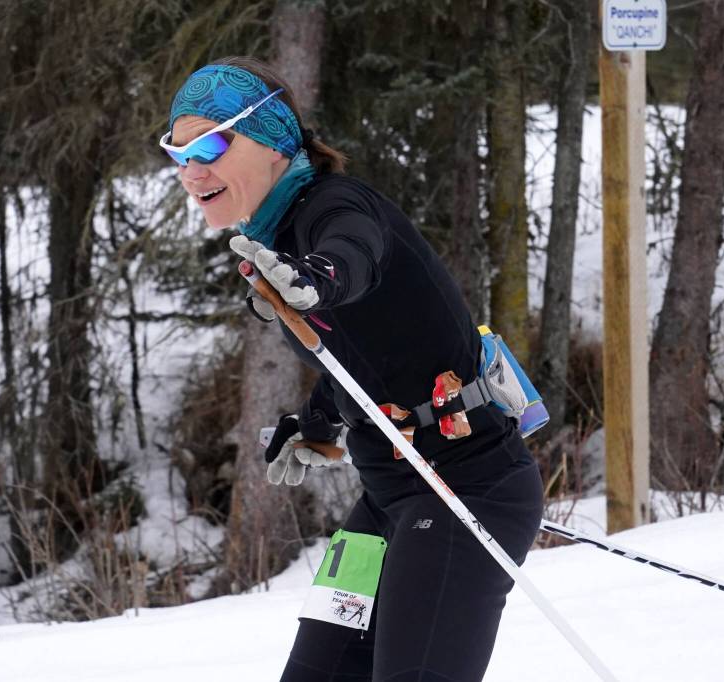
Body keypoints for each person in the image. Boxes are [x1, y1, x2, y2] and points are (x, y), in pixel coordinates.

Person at [161, 56, 545, 682]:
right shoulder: (276, 235)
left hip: (465, 490)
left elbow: (350, 255)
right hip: (389, 501)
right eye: (178, 153)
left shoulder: (337, 207)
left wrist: (318, 277)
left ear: (271, 137)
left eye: (208, 144)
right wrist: (316, 419)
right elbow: (367, 354)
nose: (192, 170)